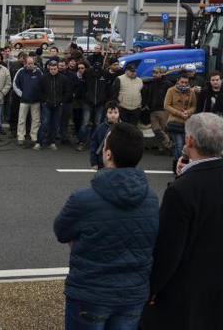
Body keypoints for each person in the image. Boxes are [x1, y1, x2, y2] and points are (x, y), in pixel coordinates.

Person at [54, 122, 159, 330]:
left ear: (108, 154)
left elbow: (61, 231)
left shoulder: (83, 199)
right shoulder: (151, 199)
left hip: (90, 291)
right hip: (133, 291)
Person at [141, 113, 223, 330]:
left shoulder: (181, 190)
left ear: (189, 141)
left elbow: (167, 250)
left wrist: (152, 289)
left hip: (185, 295)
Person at [164, 74, 197, 165]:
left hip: (187, 122)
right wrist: (179, 113)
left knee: (185, 145)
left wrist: (188, 112)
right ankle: (178, 164)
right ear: (178, 81)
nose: (184, 84)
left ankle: (181, 163)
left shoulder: (191, 91)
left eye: (186, 82)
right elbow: (166, 106)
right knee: (179, 144)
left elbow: (194, 106)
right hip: (175, 121)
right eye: (182, 82)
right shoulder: (171, 90)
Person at [13, 56, 43, 147]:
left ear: (34, 63)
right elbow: (15, 84)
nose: (30, 65)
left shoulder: (39, 72)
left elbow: (43, 84)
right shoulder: (20, 72)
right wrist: (22, 94)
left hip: (36, 100)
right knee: (22, 119)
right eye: (28, 63)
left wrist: (40, 95)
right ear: (25, 63)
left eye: (32, 63)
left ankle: (34, 137)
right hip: (24, 100)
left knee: (36, 120)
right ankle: (21, 137)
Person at [36, 60, 66, 151]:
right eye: (51, 69)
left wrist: (62, 101)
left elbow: (67, 92)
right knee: (44, 123)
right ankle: (39, 142)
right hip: (47, 104)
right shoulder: (43, 78)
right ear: (49, 68)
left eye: (55, 69)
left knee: (55, 124)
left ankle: (51, 142)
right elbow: (39, 91)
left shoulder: (63, 78)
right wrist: (44, 101)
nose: (53, 70)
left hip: (58, 104)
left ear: (58, 69)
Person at [142, 67, 173, 154]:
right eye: (154, 73)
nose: (154, 74)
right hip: (152, 110)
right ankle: (168, 146)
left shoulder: (168, 84)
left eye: (156, 73)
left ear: (162, 73)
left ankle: (165, 148)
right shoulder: (152, 83)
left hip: (163, 110)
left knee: (164, 129)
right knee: (156, 130)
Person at [89, 101, 121, 170]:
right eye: (110, 112)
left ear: (119, 113)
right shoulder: (100, 128)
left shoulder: (123, 128)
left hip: (118, 163)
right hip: (102, 162)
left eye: (115, 112)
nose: (113, 115)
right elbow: (94, 145)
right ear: (106, 114)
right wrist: (94, 162)